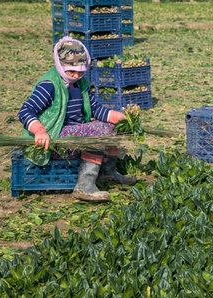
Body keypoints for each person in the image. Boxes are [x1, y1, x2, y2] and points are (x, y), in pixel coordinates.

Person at [18, 36, 136, 202]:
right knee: (98, 131)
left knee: (113, 127)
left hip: (75, 137)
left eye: (80, 72)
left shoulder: (81, 84)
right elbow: (25, 111)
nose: (75, 76)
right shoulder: (49, 85)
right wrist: (39, 130)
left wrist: (119, 118)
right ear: (60, 66)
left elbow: (96, 109)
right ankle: (84, 186)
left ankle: (107, 173)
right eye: (71, 71)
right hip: (53, 141)